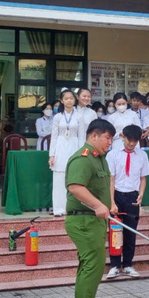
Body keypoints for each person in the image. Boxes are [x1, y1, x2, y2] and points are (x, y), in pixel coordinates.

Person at [64, 119, 115, 298]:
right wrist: (97, 205)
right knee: (92, 265)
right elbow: (75, 187)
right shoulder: (83, 159)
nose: (110, 143)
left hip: (95, 220)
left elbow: (104, 184)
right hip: (83, 219)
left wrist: (110, 204)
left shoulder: (100, 158)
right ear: (94, 135)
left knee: (92, 266)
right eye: (107, 137)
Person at [105, 125, 149, 278]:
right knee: (115, 232)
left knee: (131, 232)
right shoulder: (113, 155)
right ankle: (115, 265)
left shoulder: (142, 155)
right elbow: (110, 180)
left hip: (132, 196)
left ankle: (128, 264)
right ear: (123, 136)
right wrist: (112, 202)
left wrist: (141, 195)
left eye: (135, 141)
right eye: (129, 140)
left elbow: (143, 178)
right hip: (117, 195)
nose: (132, 144)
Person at [49, 89, 86, 217]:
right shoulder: (58, 117)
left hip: (74, 146)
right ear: (61, 101)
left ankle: (72, 207)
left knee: (73, 178)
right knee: (59, 178)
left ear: (75, 99)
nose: (69, 100)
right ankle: (59, 208)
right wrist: (52, 155)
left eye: (71, 98)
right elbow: (53, 137)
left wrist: (82, 153)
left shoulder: (79, 116)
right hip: (60, 147)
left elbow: (82, 136)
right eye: (66, 98)